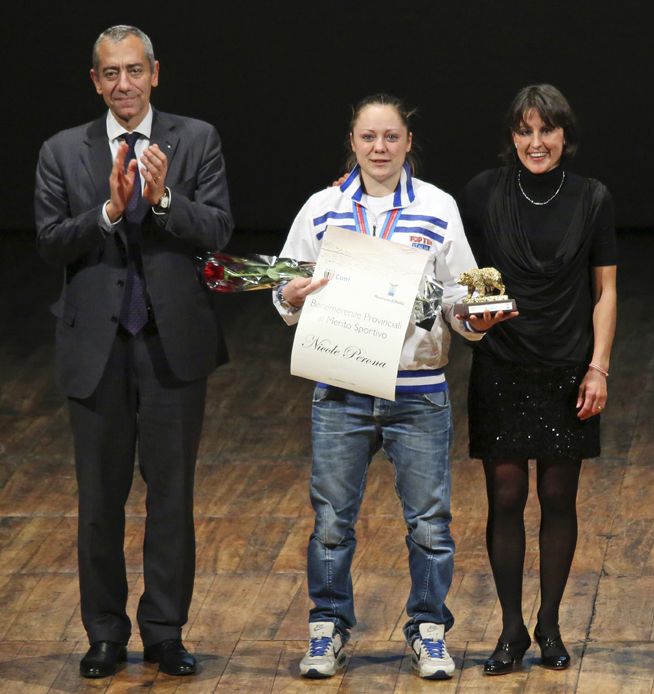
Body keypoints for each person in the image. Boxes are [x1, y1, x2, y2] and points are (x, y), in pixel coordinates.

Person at [34, 25, 233, 678]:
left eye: (134, 70)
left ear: (155, 73)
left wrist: (165, 199)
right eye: (111, 73)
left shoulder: (195, 139)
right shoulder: (62, 151)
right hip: (96, 349)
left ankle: (165, 632)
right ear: (95, 81)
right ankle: (105, 634)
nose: (124, 83)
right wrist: (110, 214)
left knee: (171, 499)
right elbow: (51, 241)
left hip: (172, 346)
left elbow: (217, 227)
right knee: (99, 501)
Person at [275, 93, 484, 680]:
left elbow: (461, 294)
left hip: (418, 391)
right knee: (332, 522)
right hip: (341, 389)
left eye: (391, 136)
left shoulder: (438, 208)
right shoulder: (322, 209)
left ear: (408, 142)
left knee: (430, 524)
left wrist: (475, 317)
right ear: (353, 142)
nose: (380, 147)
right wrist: (289, 295)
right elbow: (285, 286)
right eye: (369, 137)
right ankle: (327, 629)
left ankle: (429, 631)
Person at [458, 84, 617, 674]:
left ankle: (550, 625)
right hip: (501, 364)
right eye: (524, 131)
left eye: (546, 130)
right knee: (505, 497)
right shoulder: (482, 192)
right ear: (512, 136)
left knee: (557, 497)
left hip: (567, 368)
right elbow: (462, 269)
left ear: (564, 135)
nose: (535, 142)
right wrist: (473, 315)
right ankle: (510, 630)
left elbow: (606, 291)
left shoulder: (592, 197)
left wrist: (598, 367)